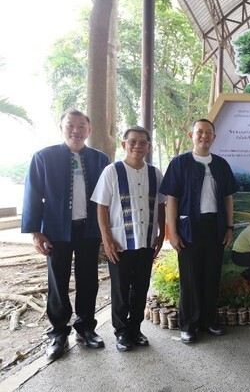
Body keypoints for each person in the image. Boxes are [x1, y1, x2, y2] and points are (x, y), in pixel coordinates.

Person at [21, 109, 110, 360]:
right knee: (58, 283)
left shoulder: (100, 159)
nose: (76, 130)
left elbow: (107, 197)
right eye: (71, 125)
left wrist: (107, 230)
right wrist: (35, 232)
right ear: (62, 128)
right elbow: (32, 195)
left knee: (88, 280)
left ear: (89, 130)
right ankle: (59, 333)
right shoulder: (43, 157)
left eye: (82, 126)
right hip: (56, 231)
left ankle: (86, 329)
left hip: (89, 229)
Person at [159, 118, 239, 344]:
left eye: (208, 133)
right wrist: (172, 232)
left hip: (215, 226)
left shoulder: (221, 165)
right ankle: (188, 325)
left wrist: (229, 227)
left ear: (214, 137)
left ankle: (208, 320)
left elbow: (228, 198)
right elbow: (171, 199)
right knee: (190, 278)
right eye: (199, 132)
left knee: (212, 275)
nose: (204, 136)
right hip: (188, 228)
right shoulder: (180, 163)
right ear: (191, 136)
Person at [91, 126, 166, 351]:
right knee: (121, 288)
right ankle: (121, 332)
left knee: (141, 287)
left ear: (148, 147)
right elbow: (101, 207)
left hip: (146, 242)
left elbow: (161, 205)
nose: (137, 146)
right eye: (132, 141)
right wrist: (106, 238)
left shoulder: (155, 173)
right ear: (124, 145)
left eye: (143, 142)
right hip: (120, 243)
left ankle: (136, 328)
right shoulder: (112, 172)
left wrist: (162, 234)